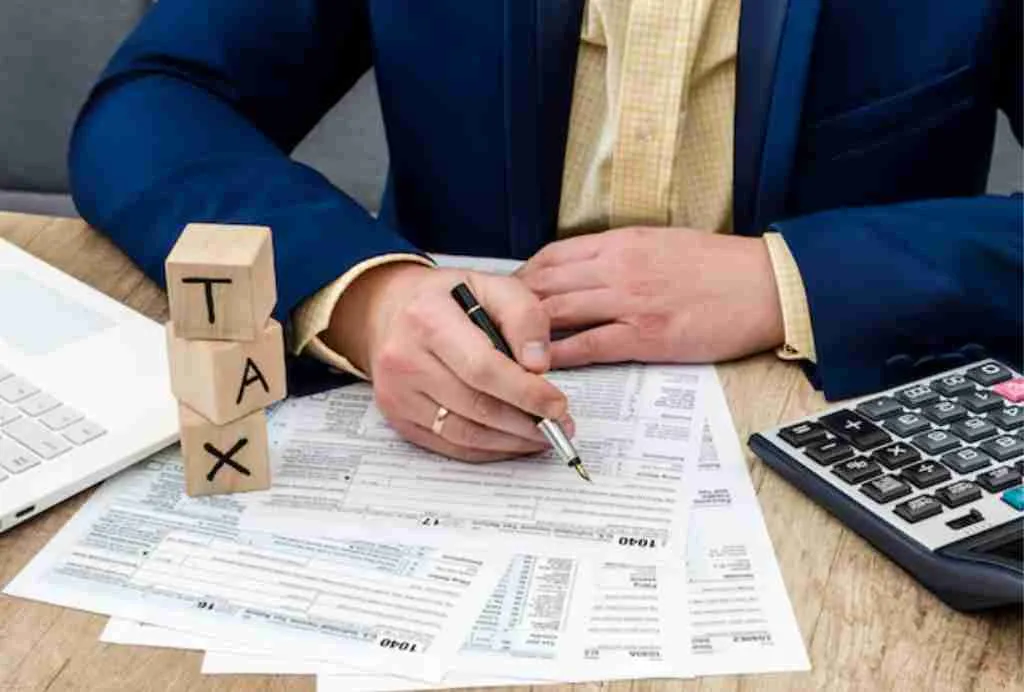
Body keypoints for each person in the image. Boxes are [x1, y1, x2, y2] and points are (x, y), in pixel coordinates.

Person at [70, 1, 1022, 462]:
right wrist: (366, 294)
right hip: (442, 429)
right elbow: (155, 101)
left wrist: (795, 277)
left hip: (856, 437)